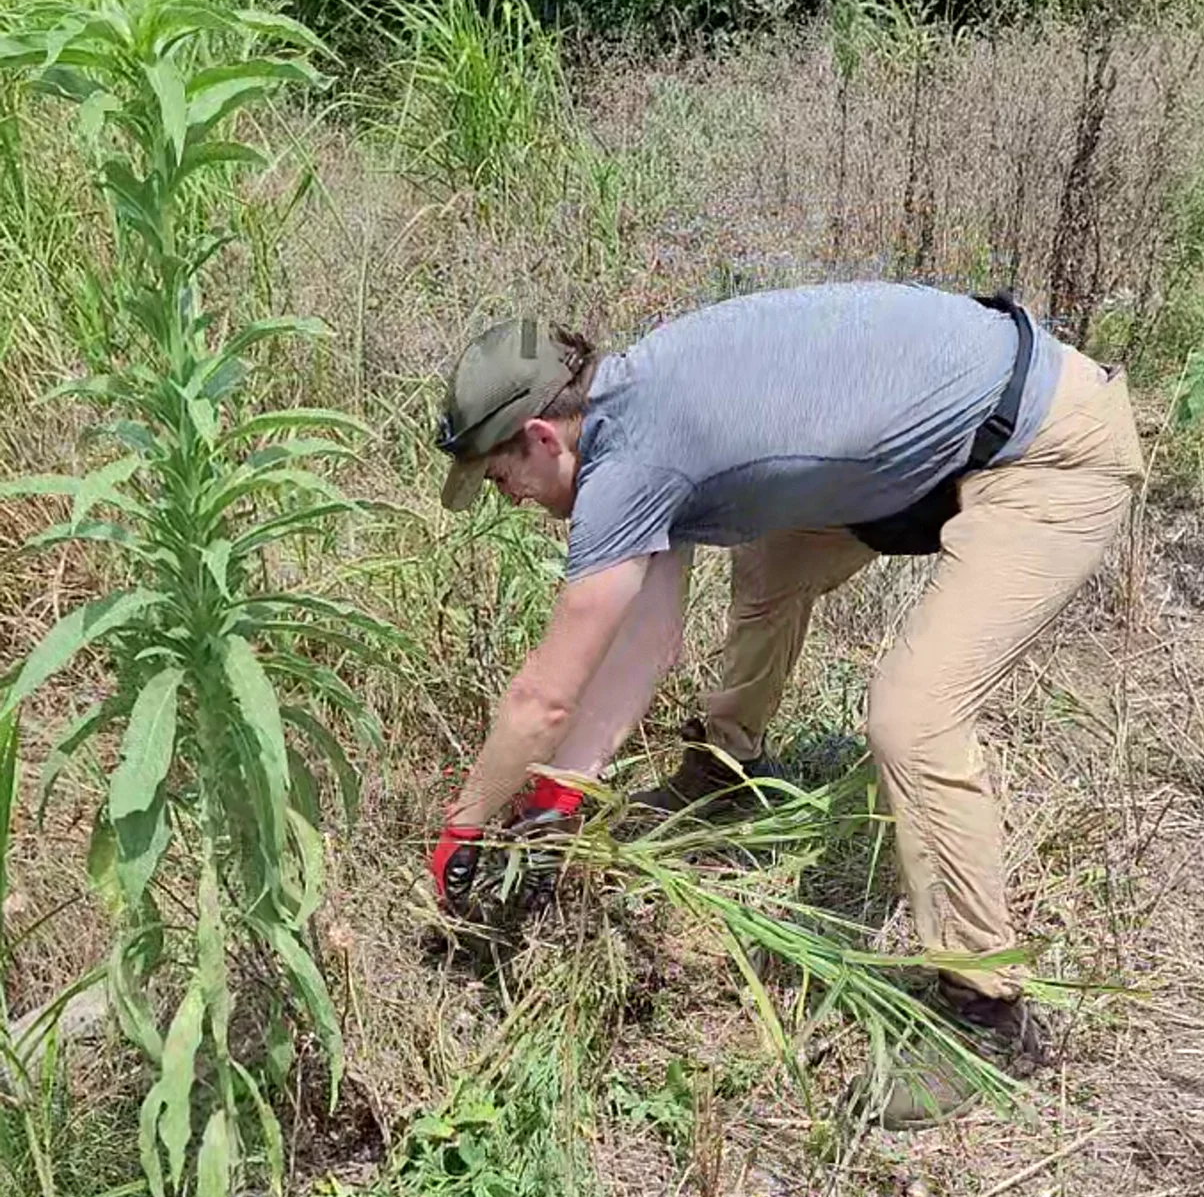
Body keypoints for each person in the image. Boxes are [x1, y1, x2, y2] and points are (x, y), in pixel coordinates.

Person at [427, 283, 1143, 1124]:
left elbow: (544, 697)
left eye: (502, 474)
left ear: (543, 435)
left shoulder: (634, 464)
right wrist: (559, 797)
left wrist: (464, 824)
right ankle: (725, 766)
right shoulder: (636, 402)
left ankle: (985, 1008)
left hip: (1047, 452)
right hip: (937, 444)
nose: (509, 499)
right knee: (769, 564)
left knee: (912, 719)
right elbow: (647, 641)